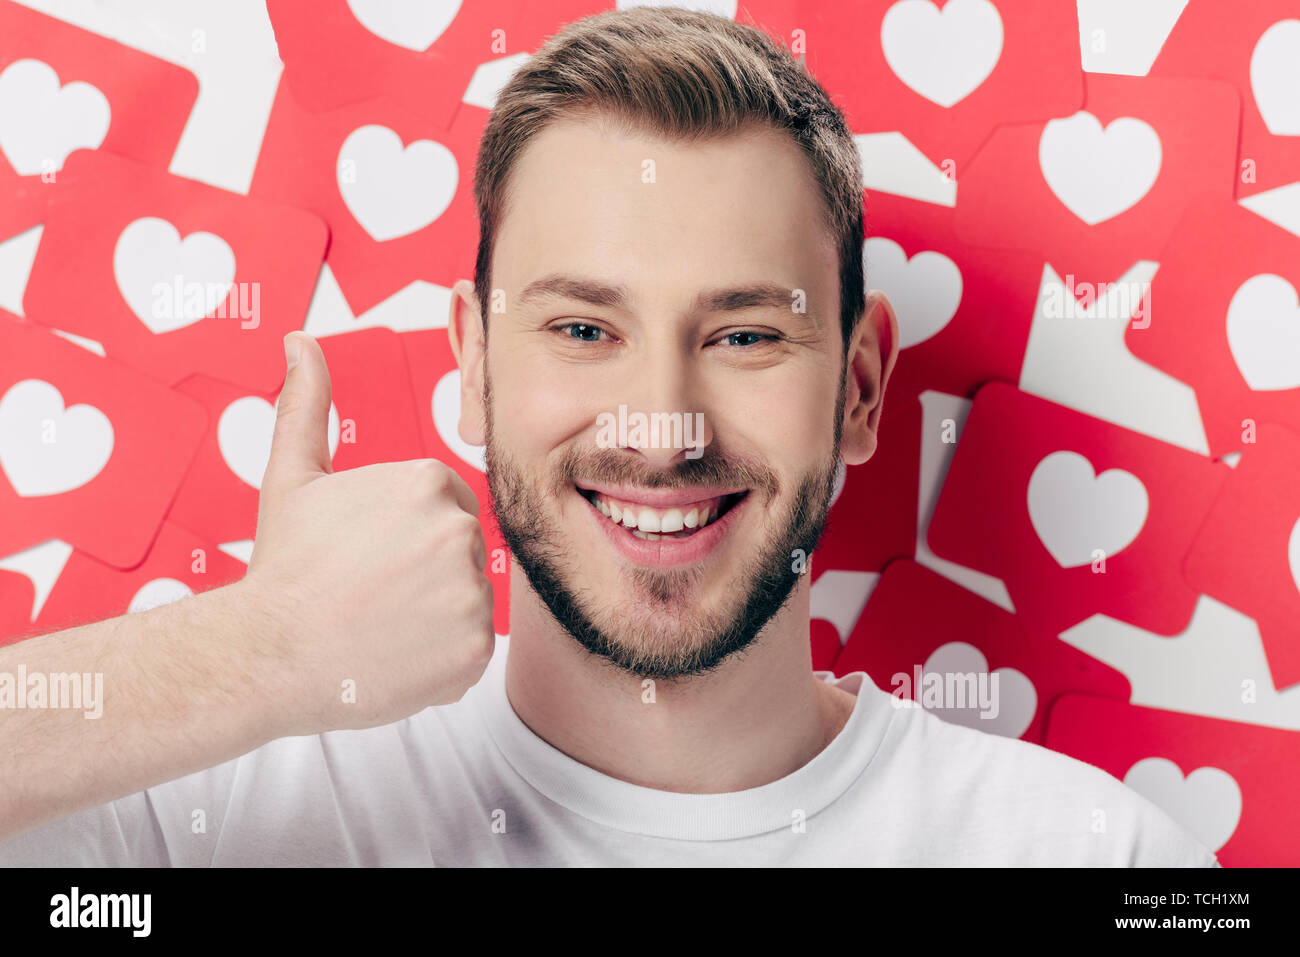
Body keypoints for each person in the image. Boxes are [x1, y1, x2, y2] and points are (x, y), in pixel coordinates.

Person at [0, 7, 1219, 866]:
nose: (662, 426)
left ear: (858, 389)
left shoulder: (1091, 856)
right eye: (583, 329)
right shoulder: (193, 823)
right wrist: (256, 652)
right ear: (472, 368)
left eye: (743, 335)